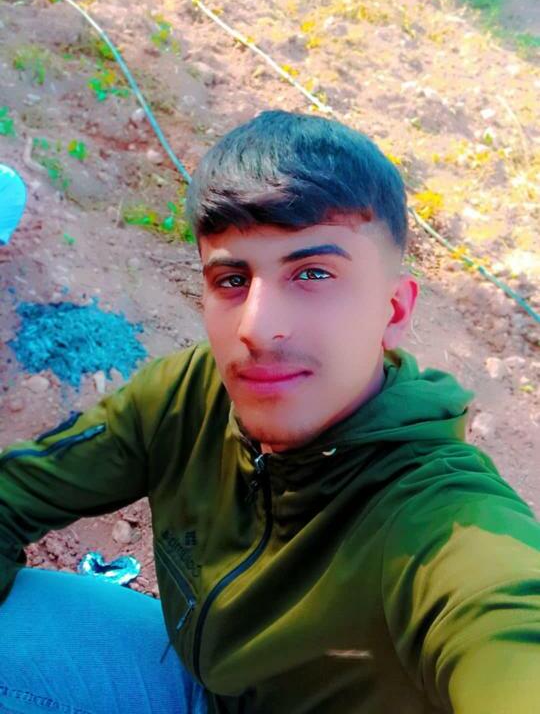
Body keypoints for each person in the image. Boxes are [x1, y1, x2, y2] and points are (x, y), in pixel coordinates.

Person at [0, 110, 538, 714]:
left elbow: (506, 624)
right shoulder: (187, 395)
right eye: (232, 280)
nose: (256, 329)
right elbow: (13, 493)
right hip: (200, 690)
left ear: (393, 310)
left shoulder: (440, 520)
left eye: (313, 273)